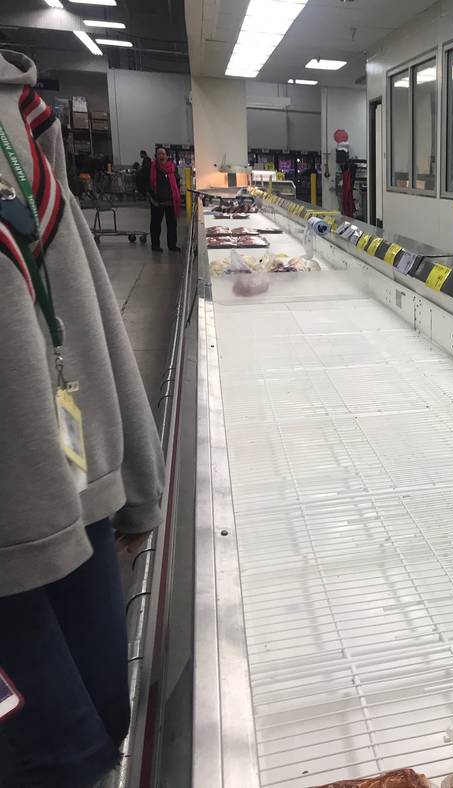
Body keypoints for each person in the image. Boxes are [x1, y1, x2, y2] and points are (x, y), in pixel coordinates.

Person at [0, 50, 165, 786]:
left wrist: (133, 481)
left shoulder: (22, 117)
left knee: (103, 725)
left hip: (75, 501)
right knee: (51, 758)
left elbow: (83, 306)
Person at [146, 146, 180, 252]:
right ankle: (155, 246)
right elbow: (141, 180)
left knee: (172, 225)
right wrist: (149, 193)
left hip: (170, 202)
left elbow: (177, 180)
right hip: (156, 203)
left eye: (163, 154)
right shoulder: (150, 167)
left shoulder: (173, 168)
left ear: (167, 156)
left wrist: (175, 191)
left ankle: (172, 245)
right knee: (156, 225)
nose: (161, 156)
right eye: (159, 154)